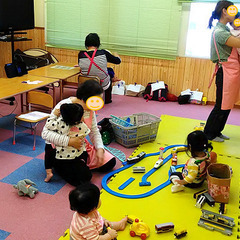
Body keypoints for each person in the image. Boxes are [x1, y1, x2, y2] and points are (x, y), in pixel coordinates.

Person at [41, 80, 116, 186]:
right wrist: (69, 141)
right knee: (83, 179)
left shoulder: (90, 109)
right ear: (84, 98)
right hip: (63, 150)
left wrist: (100, 149)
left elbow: (94, 131)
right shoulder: (64, 107)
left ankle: (81, 164)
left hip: (80, 147)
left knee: (110, 163)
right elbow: (45, 134)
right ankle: (58, 164)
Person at [204, 0, 240, 142]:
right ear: (224, 11)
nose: (235, 14)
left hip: (231, 72)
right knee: (220, 105)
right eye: (232, 10)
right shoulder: (220, 32)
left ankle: (217, 131)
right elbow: (238, 43)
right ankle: (209, 133)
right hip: (225, 72)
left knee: (227, 104)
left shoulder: (226, 30)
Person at [44, 103, 91, 183]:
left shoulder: (59, 123)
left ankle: (49, 172)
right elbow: (87, 132)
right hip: (75, 154)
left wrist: (54, 115)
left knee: (49, 145)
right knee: (85, 175)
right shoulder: (83, 126)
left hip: (61, 155)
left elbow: (48, 125)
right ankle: (82, 162)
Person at [78, 33, 121, 104]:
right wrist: (116, 54)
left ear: (86, 43)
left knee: (108, 70)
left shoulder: (81, 54)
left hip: (86, 84)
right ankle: (107, 99)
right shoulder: (103, 53)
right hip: (101, 84)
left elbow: (81, 66)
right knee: (108, 73)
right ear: (98, 43)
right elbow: (118, 61)